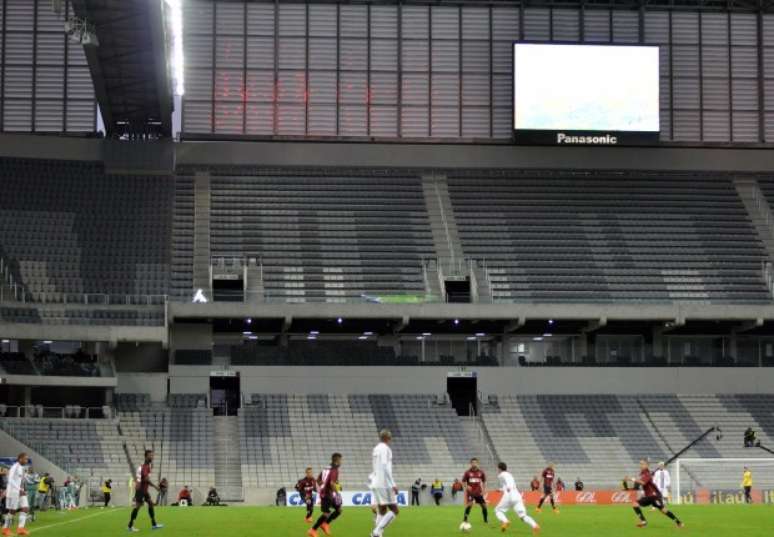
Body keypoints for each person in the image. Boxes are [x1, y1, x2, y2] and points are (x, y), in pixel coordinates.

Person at [626, 460, 683, 529]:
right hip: (655, 495)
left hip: (652, 495)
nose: (641, 465)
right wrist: (628, 488)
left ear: (647, 465)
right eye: (640, 464)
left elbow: (643, 483)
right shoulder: (643, 474)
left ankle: (643, 521)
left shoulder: (647, 473)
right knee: (663, 510)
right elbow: (638, 485)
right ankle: (679, 523)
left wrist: (631, 479)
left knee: (635, 504)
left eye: (642, 464)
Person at [494, 462, 540, 534]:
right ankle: (535, 526)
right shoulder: (510, 475)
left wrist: (508, 488)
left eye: (498, 468)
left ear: (499, 468)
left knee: (498, 510)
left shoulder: (501, 475)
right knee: (523, 516)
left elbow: (508, 484)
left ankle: (505, 521)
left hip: (509, 495)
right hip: (517, 496)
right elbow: (506, 485)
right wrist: (500, 489)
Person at [369, 430, 399, 537]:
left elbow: (376, 467)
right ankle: (377, 531)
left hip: (376, 482)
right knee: (395, 510)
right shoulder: (386, 449)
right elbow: (386, 467)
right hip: (384, 484)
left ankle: (378, 534)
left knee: (382, 510)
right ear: (388, 438)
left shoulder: (376, 449)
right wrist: (393, 484)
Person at [127, 449, 164, 532]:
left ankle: (154, 524)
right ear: (146, 456)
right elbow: (146, 480)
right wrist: (155, 487)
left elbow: (145, 479)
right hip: (141, 491)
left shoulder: (148, 466)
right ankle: (130, 526)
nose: (152, 457)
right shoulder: (144, 467)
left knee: (150, 504)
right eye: (150, 455)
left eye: (152, 455)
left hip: (144, 490)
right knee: (138, 507)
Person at [308, 453, 343, 537]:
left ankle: (325, 524)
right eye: (341, 460)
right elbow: (331, 483)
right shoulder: (335, 470)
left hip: (328, 493)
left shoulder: (325, 468)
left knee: (339, 510)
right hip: (327, 494)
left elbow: (318, 480)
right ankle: (312, 530)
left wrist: (322, 486)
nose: (342, 462)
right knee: (326, 514)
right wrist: (337, 493)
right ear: (337, 461)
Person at [2, 453, 30, 537]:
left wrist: (23, 489)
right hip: (13, 492)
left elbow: (20, 480)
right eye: (25, 459)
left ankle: (20, 529)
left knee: (25, 508)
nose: (26, 460)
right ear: (20, 459)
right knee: (12, 511)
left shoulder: (22, 468)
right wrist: (19, 489)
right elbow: (10, 479)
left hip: (21, 492)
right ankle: (5, 529)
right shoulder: (15, 467)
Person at [461, 457, 488, 525]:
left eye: (475, 462)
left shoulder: (481, 472)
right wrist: (467, 486)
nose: (474, 464)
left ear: (477, 463)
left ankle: (485, 520)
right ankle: (465, 519)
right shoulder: (467, 472)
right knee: (469, 505)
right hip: (471, 493)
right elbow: (463, 481)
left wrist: (484, 490)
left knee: (484, 506)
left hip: (478, 492)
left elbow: (484, 481)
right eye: (473, 463)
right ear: (470, 464)